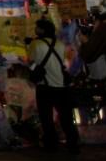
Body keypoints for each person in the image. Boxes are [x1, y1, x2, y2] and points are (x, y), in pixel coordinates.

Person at [28, 18, 79, 153]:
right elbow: (62, 63)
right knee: (66, 118)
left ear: (42, 30)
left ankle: (51, 144)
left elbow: (30, 63)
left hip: (44, 86)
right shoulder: (60, 44)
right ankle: (73, 143)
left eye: (37, 27)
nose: (35, 29)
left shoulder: (35, 44)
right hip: (62, 86)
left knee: (46, 118)